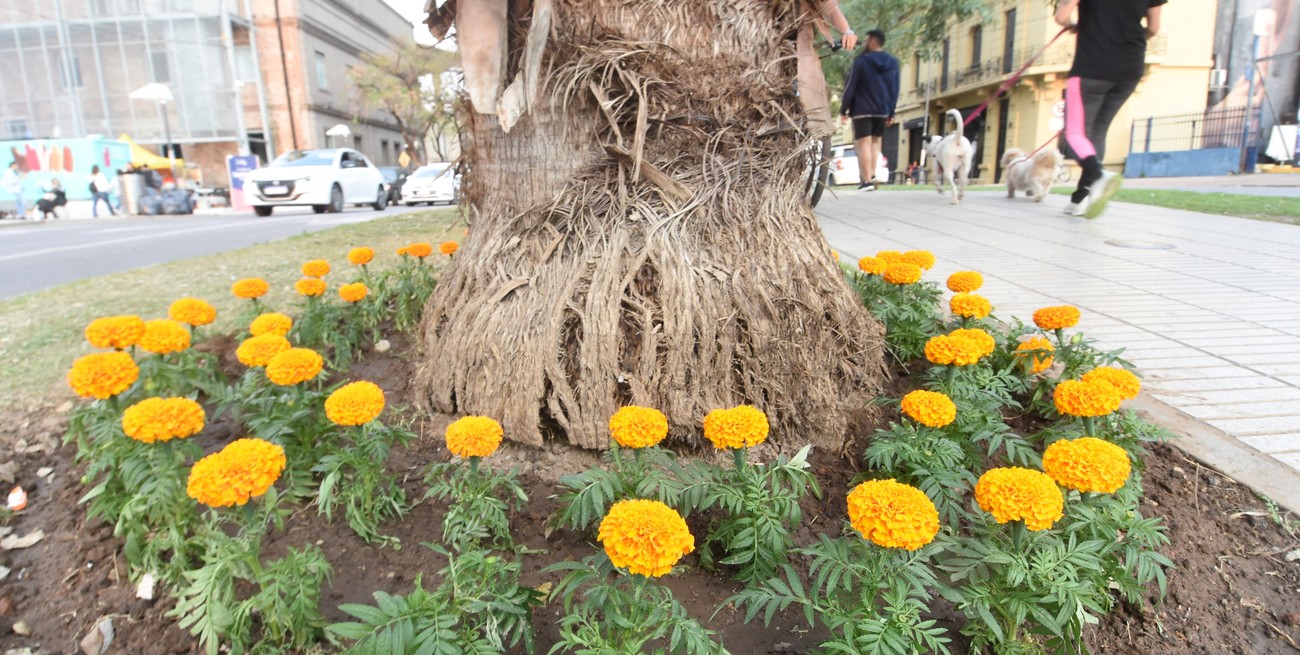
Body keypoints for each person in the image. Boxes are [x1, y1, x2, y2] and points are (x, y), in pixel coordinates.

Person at [1056, 0, 1164, 219]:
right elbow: (1153, 28)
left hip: (1092, 65)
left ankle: (1097, 174)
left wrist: (1075, 25)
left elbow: (1062, 16)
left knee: (1074, 134)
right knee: (1097, 131)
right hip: (1130, 66)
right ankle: (1080, 198)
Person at [839, 29, 900, 192]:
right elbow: (895, 89)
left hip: (862, 109)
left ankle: (866, 182)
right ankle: (872, 175)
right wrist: (891, 111)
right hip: (882, 110)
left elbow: (851, 86)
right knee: (874, 143)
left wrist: (843, 109)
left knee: (864, 143)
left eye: (866, 40)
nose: (864, 43)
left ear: (873, 40)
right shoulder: (892, 62)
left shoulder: (861, 61)